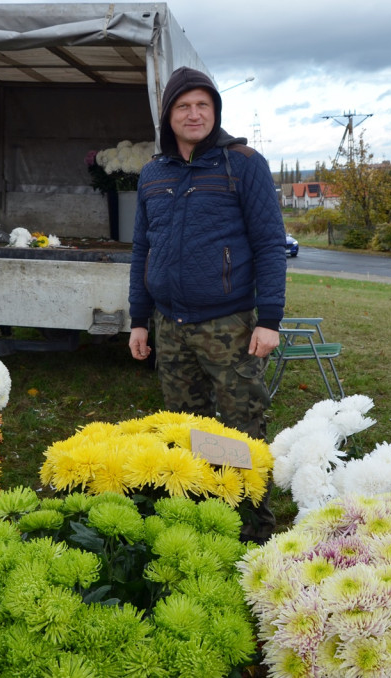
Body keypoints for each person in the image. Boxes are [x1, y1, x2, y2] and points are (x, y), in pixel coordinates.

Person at [127, 67, 287, 541]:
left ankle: (253, 531)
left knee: (240, 433)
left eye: (203, 105)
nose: (194, 114)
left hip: (229, 326)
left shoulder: (244, 163)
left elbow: (269, 244)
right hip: (170, 326)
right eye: (183, 106)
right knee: (185, 433)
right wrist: (139, 320)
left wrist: (270, 319)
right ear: (168, 115)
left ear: (215, 111)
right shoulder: (153, 173)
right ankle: (196, 523)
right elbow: (142, 249)